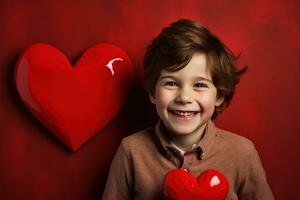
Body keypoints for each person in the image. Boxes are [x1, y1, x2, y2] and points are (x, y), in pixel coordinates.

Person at [102, 19, 274, 200]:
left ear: (219, 96)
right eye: (171, 83)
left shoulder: (242, 153)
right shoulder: (130, 151)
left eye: (199, 84)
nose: (184, 97)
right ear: (153, 93)